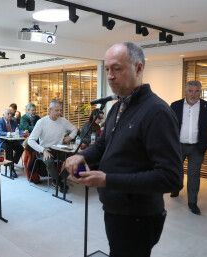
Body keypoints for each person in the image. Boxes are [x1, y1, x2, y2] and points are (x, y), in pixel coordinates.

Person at [64, 42, 182, 257]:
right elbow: (103, 144)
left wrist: (107, 180)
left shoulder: (157, 112)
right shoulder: (118, 106)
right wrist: (80, 155)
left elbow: (170, 178)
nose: (109, 75)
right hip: (116, 208)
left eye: (117, 68)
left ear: (138, 68)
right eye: (107, 69)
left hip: (138, 216)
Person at [169, 80, 207, 215]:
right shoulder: (175, 106)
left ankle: (192, 202)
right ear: (186, 91)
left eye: (197, 91)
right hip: (178, 146)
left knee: (194, 175)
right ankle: (176, 188)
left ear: (200, 92)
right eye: (190, 91)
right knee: (176, 169)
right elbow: (167, 125)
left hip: (197, 148)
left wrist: (206, 144)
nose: (193, 94)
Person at [27, 100, 77, 192]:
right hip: (44, 149)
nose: (59, 113)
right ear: (50, 110)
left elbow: (74, 129)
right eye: (57, 110)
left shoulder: (63, 121)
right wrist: (43, 150)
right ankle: (58, 182)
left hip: (59, 148)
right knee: (49, 162)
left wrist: (70, 137)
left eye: (60, 110)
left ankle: (58, 180)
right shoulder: (41, 122)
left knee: (76, 159)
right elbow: (30, 140)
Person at [0, 109, 24, 178]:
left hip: (11, 140)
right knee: (8, 147)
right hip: (1, 141)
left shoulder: (13, 121)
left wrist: (23, 132)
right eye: (8, 114)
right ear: (4, 114)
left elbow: (18, 130)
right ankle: (11, 168)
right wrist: (9, 133)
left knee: (20, 148)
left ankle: (11, 162)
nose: (10, 115)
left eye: (11, 114)